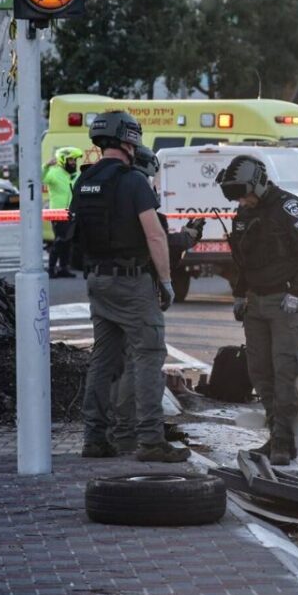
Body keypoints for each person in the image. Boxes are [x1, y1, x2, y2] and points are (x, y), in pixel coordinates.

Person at [69, 111, 188, 461]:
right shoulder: (133, 181)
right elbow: (154, 234)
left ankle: (94, 439)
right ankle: (151, 441)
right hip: (131, 282)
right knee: (149, 355)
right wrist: (165, 281)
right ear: (128, 140)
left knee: (103, 361)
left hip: (97, 280)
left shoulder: (85, 180)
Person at [217, 155, 298, 465]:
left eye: (244, 194)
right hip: (255, 301)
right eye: (236, 196)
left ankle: (283, 441)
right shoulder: (243, 212)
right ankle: (275, 432)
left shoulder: (289, 207)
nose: (242, 201)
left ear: (258, 184)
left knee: (286, 370)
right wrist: (239, 294)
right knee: (260, 372)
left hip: (285, 301)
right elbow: (242, 259)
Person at [108, 146, 204, 453]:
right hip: (138, 290)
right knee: (143, 360)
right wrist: (189, 237)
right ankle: (143, 434)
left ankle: (119, 431)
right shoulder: (142, 201)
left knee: (119, 362)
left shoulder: (112, 199)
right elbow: (160, 241)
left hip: (108, 288)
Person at [44, 147, 82, 278]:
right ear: (62, 160)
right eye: (71, 159)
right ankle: (51, 268)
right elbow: (39, 178)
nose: (73, 162)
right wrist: (46, 166)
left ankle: (63, 268)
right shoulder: (54, 173)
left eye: (75, 160)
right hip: (58, 214)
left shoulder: (76, 175)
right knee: (59, 241)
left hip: (72, 213)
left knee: (68, 243)